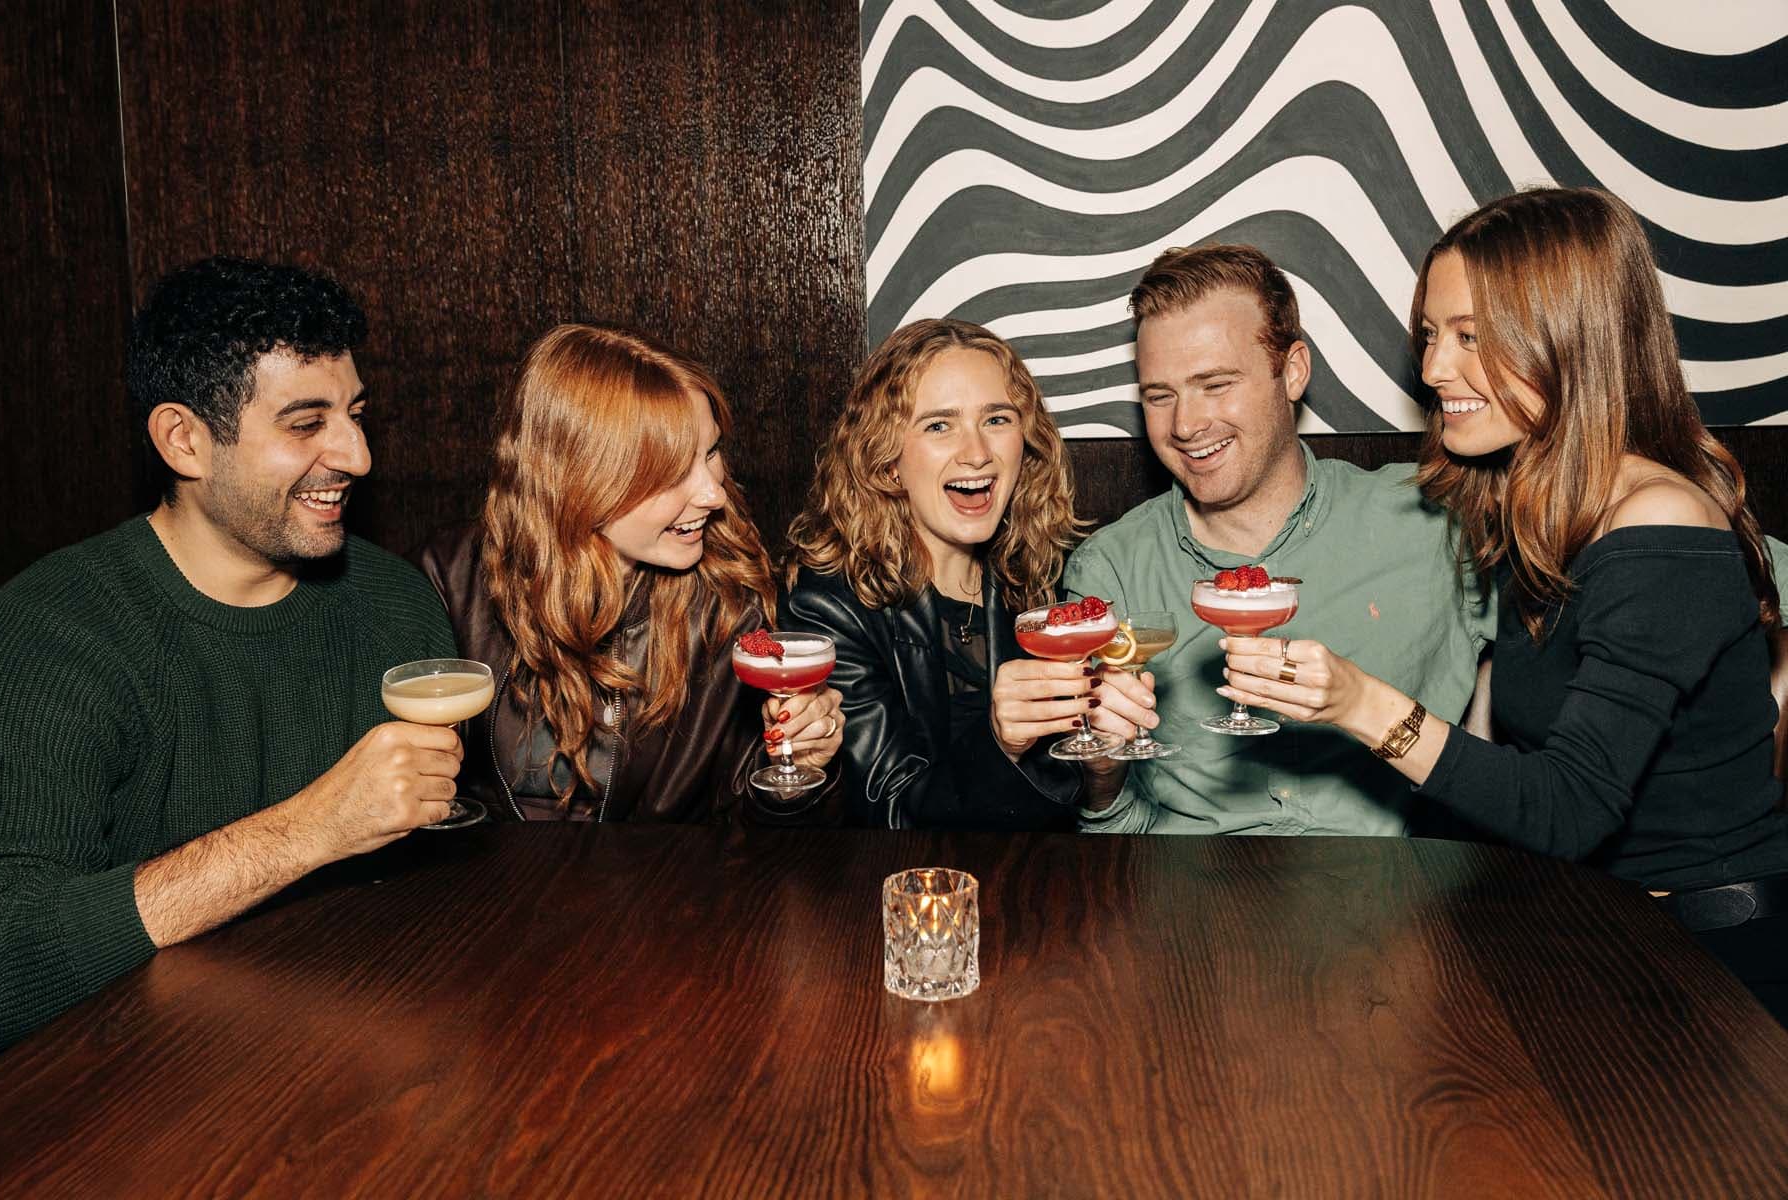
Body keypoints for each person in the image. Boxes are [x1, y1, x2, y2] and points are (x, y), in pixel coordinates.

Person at [1213, 188, 1788, 1017]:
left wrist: (1361, 704)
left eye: (1472, 337)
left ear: (1569, 339)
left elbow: (1569, 809)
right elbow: (1497, 773)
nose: (1435, 367)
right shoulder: (1544, 511)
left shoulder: (1661, 522)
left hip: (1709, 976)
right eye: (1433, 335)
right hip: (1588, 935)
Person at [0, 257, 462, 1054]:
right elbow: (2, 962)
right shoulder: (50, 634)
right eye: (306, 424)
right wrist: (311, 829)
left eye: (356, 414)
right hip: (125, 1094)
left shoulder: (393, 603)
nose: (356, 456)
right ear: (184, 440)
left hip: (354, 1052)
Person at [1067, 244, 1496, 836]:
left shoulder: (1435, 521)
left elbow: (1541, 749)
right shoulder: (1109, 571)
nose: (1186, 425)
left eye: (1215, 384)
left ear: (1293, 371)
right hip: (1192, 903)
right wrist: (1102, 771)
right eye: (1159, 396)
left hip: (1395, 900)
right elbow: (1115, 831)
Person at [417, 324, 844, 823]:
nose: (714, 494)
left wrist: (800, 772)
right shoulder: (448, 580)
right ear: (579, 479)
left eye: (710, 453)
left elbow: (750, 835)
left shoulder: (724, 603)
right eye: (672, 471)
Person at [783, 318, 1099, 829]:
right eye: (938, 425)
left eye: (997, 419)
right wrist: (1000, 745)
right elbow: (888, 814)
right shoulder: (830, 606)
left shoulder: (1049, 576)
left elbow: (1078, 791)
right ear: (887, 462)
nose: (976, 452)